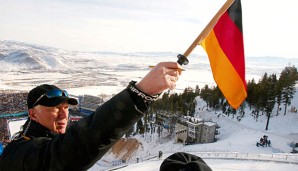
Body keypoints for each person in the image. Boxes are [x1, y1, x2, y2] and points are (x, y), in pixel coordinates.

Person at [0, 62, 183, 171]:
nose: (64, 114)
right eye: (55, 108)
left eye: (66, 107)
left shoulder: (42, 141)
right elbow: (75, 147)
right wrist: (139, 94)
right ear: (32, 113)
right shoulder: (19, 153)